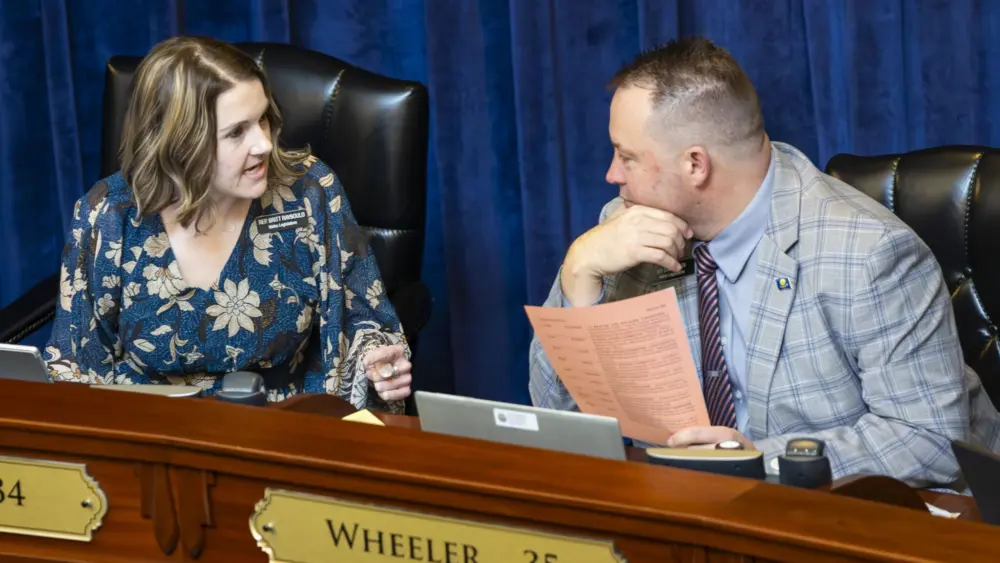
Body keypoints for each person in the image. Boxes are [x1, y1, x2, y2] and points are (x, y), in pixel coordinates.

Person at [528, 36, 1000, 488]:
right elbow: (559, 420)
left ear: (696, 164)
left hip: (862, 512)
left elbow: (929, 441)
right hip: (691, 512)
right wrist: (579, 274)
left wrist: (758, 460)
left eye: (626, 156)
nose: (611, 175)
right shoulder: (629, 231)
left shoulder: (868, 252)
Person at [44, 36, 412, 412]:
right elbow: (76, 365)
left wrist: (378, 362)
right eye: (237, 132)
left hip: (282, 430)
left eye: (263, 119)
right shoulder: (109, 213)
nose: (264, 144)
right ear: (179, 144)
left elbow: (363, 317)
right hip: (150, 429)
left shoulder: (309, 192)